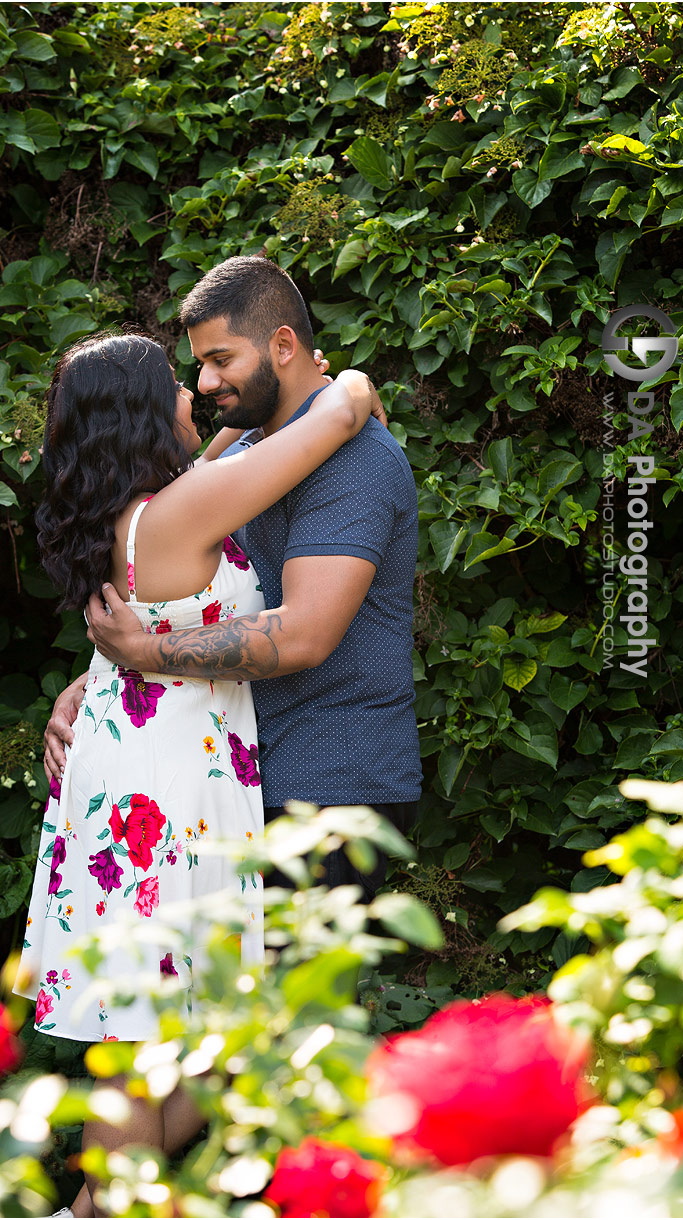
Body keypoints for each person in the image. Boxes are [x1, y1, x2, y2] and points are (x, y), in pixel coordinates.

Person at [14, 329, 381, 1218]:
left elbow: (224, 448)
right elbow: (339, 413)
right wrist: (350, 375)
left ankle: (92, 1206)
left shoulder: (147, 507)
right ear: (144, 412)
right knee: (149, 1039)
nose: (197, 396)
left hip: (143, 769)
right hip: (164, 789)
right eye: (180, 384)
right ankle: (103, 1211)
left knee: (170, 1032)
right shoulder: (177, 514)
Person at [46, 257, 423, 902]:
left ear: (283, 345)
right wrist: (102, 677)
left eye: (222, 359)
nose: (205, 381)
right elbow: (186, 604)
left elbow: (301, 635)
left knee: (292, 1000)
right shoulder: (244, 457)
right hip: (231, 778)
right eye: (197, 365)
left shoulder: (355, 462)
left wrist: (137, 653)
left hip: (325, 783)